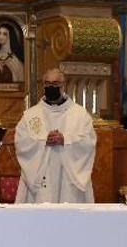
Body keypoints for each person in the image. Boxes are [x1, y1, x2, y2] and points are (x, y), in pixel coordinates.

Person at [14, 69, 96, 204]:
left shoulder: (80, 115)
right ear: (43, 86)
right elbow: (21, 142)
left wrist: (65, 140)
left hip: (69, 180)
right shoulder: (31, 115)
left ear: (63, 85)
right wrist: (43, 141)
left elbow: (88, 142)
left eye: (55, 83)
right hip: (41, 180)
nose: (51, 87)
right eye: (47, 83)